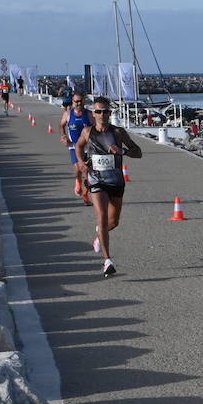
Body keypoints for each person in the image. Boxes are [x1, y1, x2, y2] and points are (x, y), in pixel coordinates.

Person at [73, 97, 142, 277]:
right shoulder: (88, 132)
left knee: (113, 222)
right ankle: (107, 261)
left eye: (105, 111)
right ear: (93, 114)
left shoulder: (118, 133)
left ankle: (99, 234)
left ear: (110, 113)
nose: (101, 115)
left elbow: (138, 152)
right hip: (96, 180)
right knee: (102, 216)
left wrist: (123, 151)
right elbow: (78, 146)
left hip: (116, 182)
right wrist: (81, 163)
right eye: (98, 111)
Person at [59, 93, 92, 204]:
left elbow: (97, 127)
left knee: (87, 172)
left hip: (88, 147)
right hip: (74, 145)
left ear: (84, 101)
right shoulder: (68, 114)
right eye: (76, 101)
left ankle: (86, 195)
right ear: (72, 102)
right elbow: (61, 125)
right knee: (78, 168)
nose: (78, 103)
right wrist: (64, 136)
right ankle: (78, 181)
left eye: (80, 101)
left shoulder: (90, 114)